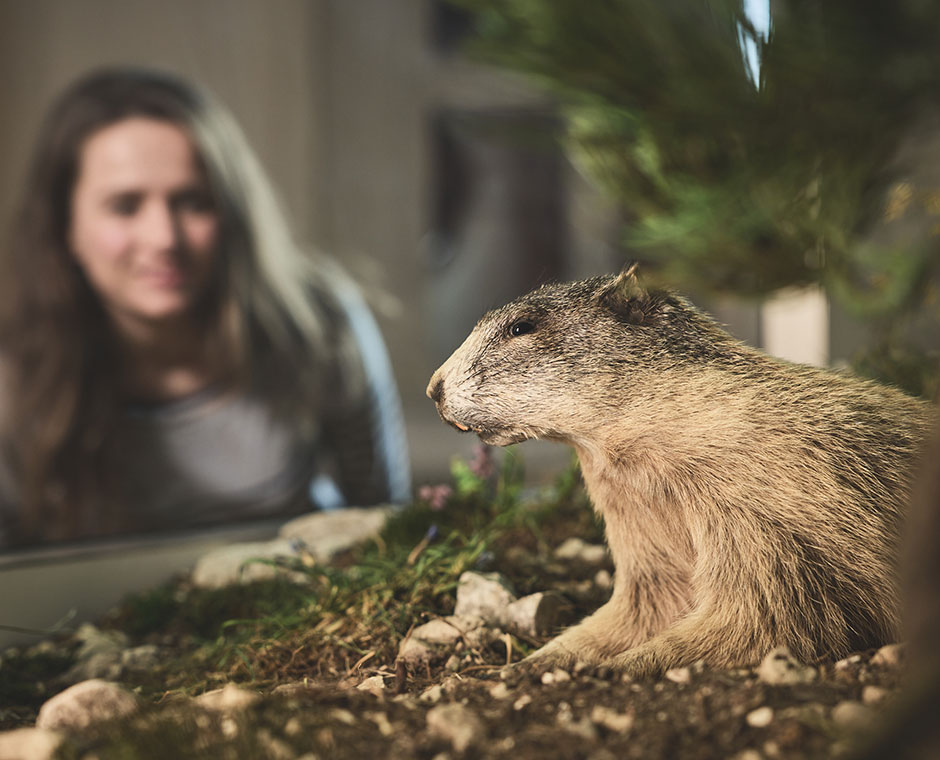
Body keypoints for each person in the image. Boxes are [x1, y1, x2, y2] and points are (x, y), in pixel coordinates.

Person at [0, 67, 410, 549]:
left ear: (233, 210)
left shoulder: (318, 323)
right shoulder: (11, 366)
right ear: (64, 225)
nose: (164, 238)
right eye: (126, 206)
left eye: (193, 201)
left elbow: (386, 520)